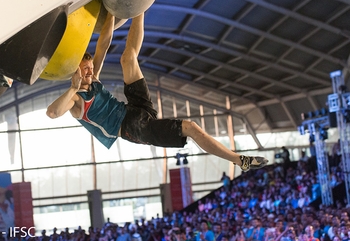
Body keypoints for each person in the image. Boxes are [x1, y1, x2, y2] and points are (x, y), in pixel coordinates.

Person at [46, 12, 268, 172]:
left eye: (90, 67)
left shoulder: (93, 79)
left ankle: (140, 7)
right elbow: (53, 113)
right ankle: (239, 160)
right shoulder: (76, 100)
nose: (90, 70)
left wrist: (113, 9)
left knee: (128, 58)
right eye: (85, 68)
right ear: (74, 71)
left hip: (134, 108)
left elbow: (104, 43)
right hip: (133, 128)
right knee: (191, 128)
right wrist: (73, 87)